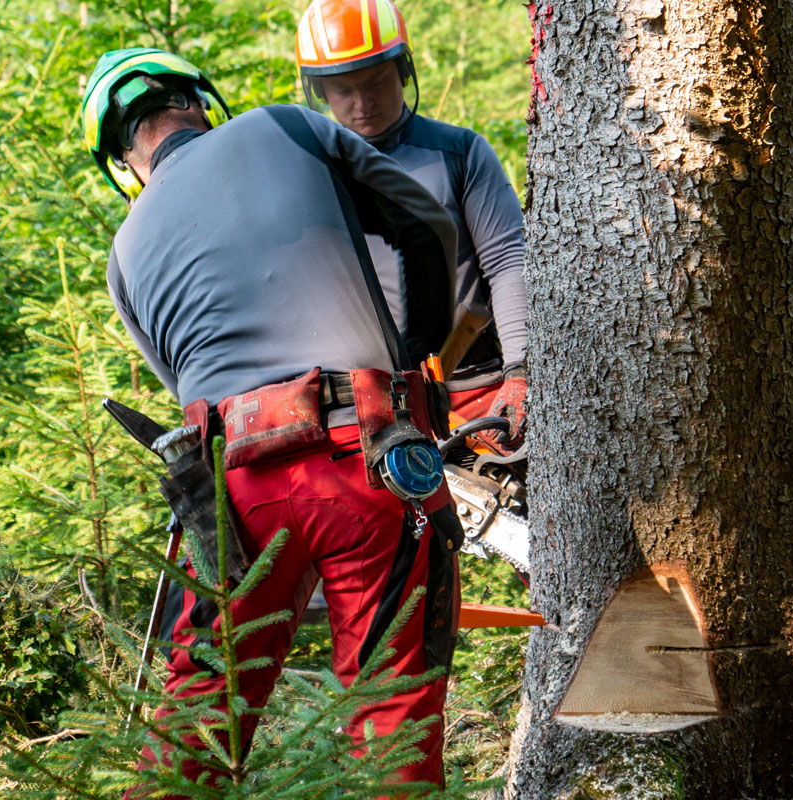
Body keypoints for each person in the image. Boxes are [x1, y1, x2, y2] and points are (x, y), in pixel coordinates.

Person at [79, 47, 463, 791]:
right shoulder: (289, 128)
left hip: (230, 495)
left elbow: (187, 385)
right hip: (367, 452)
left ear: (122, 157)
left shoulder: (123, 253)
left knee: (197, 715)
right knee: (392, 712)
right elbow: (425, 226)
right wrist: (413, 354)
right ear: (198, 101)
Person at [295, 0, 529, 450]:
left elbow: (507, 262)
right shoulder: (312, 178)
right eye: (343, 90)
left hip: (478, 387)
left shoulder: (459, 154)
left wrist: (519, 372)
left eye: (376, 82)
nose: (363, 104)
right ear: (319, 92)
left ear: (403, 70)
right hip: (374, 408)